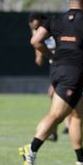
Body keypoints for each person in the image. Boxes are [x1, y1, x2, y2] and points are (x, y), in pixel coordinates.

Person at [18, 0, 83, 165]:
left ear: (71, 3)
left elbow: (35, 41)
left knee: (77, 115)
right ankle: (32, 149)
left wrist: (50, 54)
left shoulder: (54, 20)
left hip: (57, 69)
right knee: (57, 116)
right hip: (74, 73)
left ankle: (81, 160)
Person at [28, 13, 59, 141]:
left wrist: (53, 56)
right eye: (34, 28)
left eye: (37, 26)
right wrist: (39, 56)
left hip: (65, 65)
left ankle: (51, 131)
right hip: (56, 66)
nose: (36, 30)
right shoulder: (37, 31)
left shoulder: (54, 26)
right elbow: (37, 43)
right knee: (56, 97)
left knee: (53, 94)